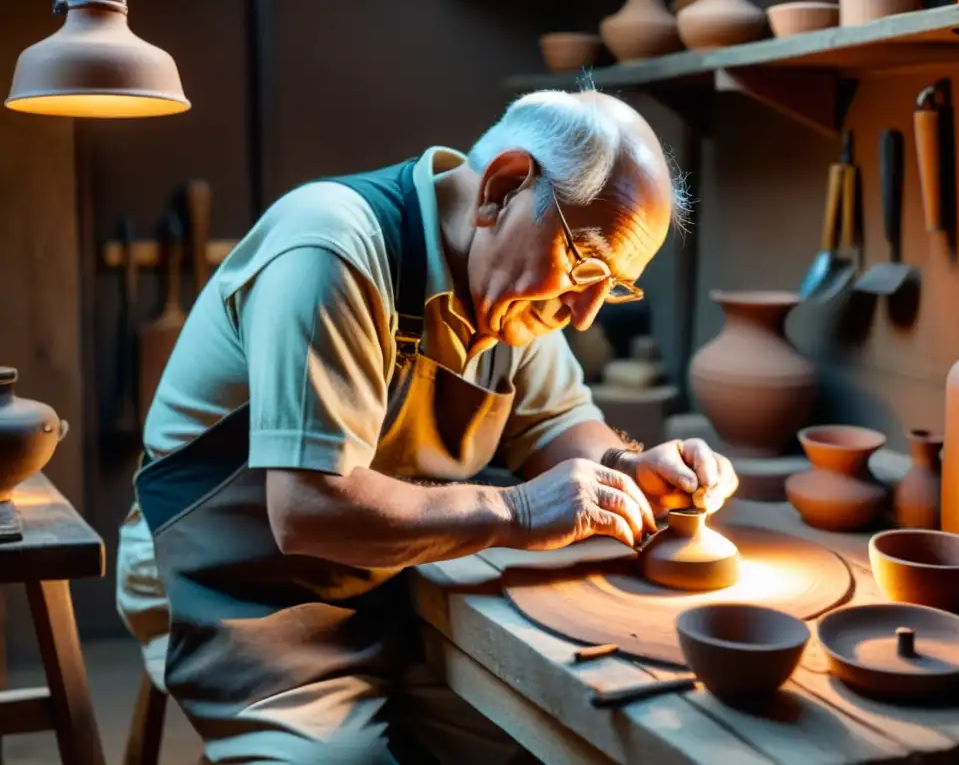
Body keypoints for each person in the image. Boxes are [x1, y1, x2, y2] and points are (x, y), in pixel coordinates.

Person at [115, 84, 739, 764]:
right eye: (586, 265)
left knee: (560, 741)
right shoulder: (332, 247)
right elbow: (308, 511)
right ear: (502, 188)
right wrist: (521, 511)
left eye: (613, 284)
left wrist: (628, 468)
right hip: (236, 592)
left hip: (391, 585)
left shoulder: (518, 289)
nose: (585, 313)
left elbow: (560, 425)